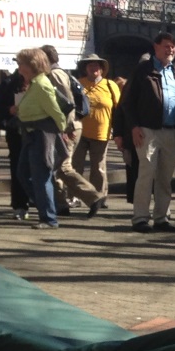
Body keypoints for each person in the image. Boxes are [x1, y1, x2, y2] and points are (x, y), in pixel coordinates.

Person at [118, 32, 175, 233]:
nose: (171, 50)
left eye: (173, 46)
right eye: (166, 46)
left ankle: (162, 218)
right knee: (146, 174)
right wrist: (133, 127)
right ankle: (140, 218)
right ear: (156, 47)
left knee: (165, 177)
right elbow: (127, 102)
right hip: (148, 130)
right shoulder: (143, 70)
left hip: (172, 131)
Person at [41, 45, 105, 216]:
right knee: (56, 166)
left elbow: (67, 101)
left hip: (67, 126)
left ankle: (93, 197)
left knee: (63, 166)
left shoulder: (55, 74)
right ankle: (61, 204)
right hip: (65, 125)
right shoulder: (57, 73)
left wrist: (67, 126)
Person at [14, 47, 67, 229]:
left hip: (41, 135)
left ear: (32, 65)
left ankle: (49, 218)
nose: (19, 67)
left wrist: (62, 133)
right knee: (24, 174)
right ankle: (46, 207)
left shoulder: (41, 85)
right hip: (31, 135)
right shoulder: (34, 84)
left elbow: (56, 112)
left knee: (41, 176)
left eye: (21, 63)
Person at [72, 54, 119, 205]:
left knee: (98, 168)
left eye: (97, 65)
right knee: (75, 166)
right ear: (85, 68)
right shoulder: (78, 84)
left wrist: (118, 132)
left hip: (101, 133)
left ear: (102, 69)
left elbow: (119, 109)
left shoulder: (110, 85)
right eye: (90, 65)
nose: (94, 68)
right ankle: (75, 196)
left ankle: (99, 198)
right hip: (79, 133)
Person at [0, 67, 31, 220]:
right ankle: (20, 205)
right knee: (18, 169)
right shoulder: (9, 84)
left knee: (39, 170)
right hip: (17, 133)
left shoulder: (42, 80)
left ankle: (41, 204)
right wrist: (9, 110)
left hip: (38, 132)